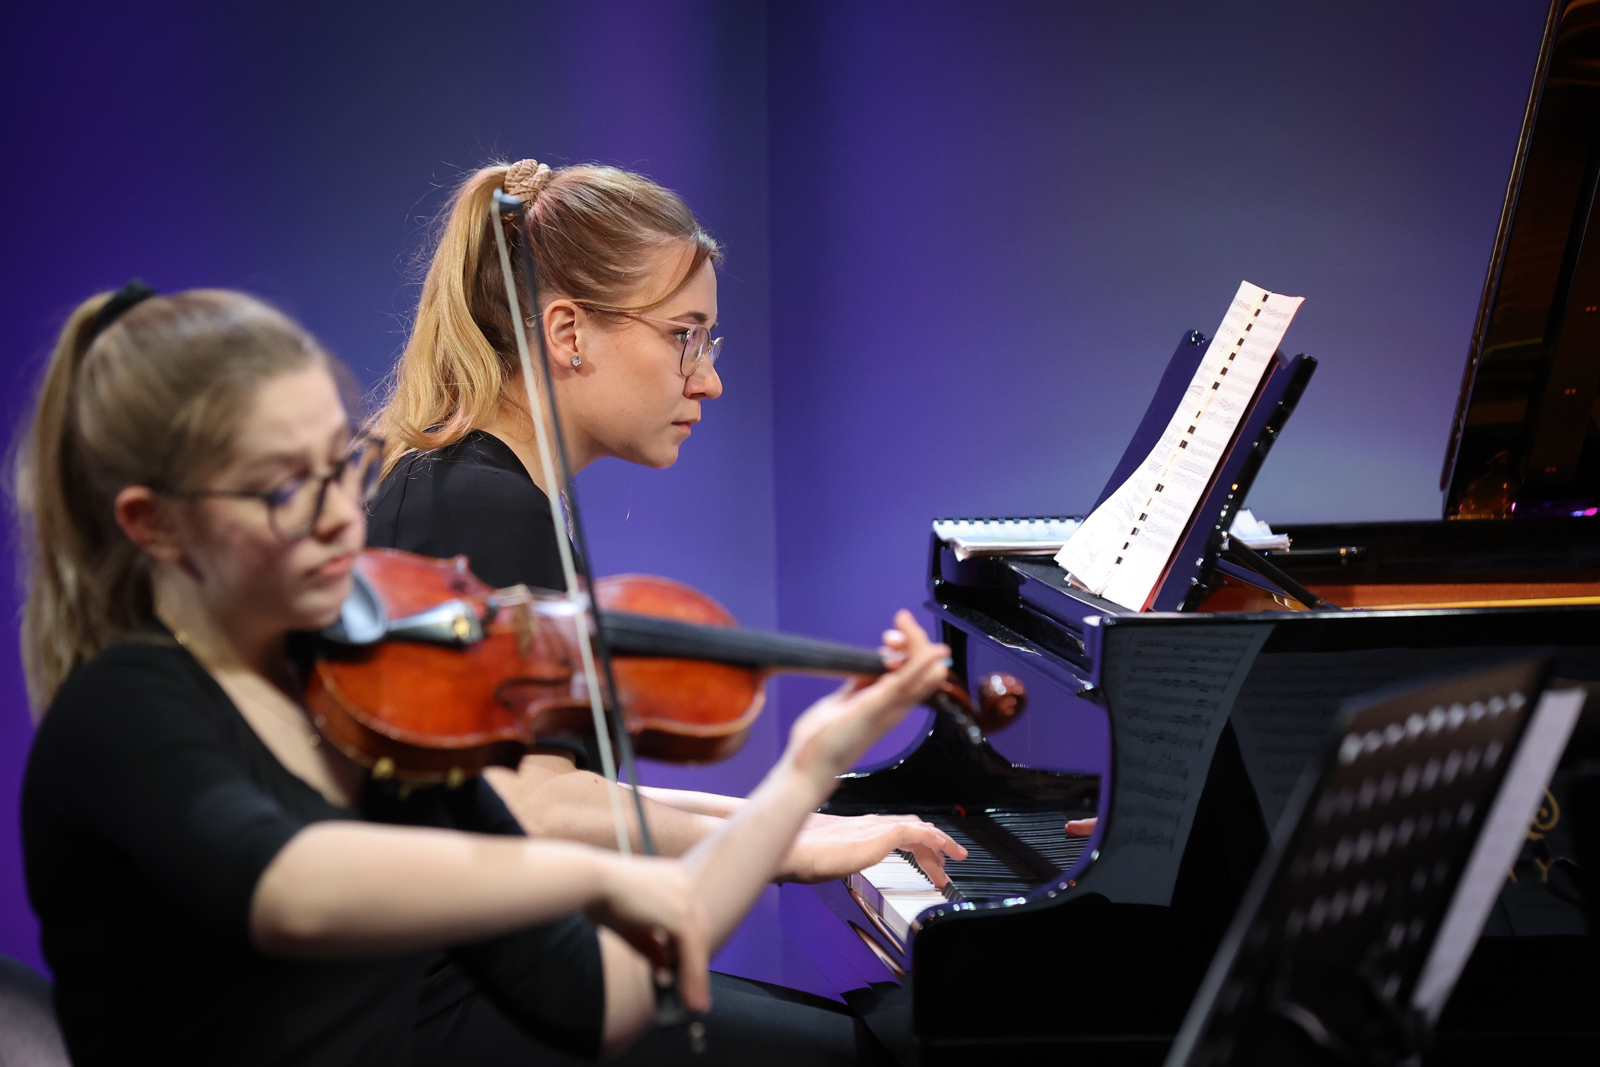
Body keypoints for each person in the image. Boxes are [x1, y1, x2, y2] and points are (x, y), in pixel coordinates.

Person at [15, 283, 949, 1065]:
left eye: (342, 465)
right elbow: (292, 888)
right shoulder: (126, 707)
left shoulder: (379, 710)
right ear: (153, 524)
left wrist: (802, 775)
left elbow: (612, 997)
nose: (341, 515)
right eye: (286, 488)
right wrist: (580, 878)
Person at [368, 159, 968, 885]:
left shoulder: (471, 489)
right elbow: (530, 803)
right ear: (567, 332)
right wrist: (791, 847)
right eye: (686, 336)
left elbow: (575, 792)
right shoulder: (480, 507)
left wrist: (798, 820)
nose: (708, 380)